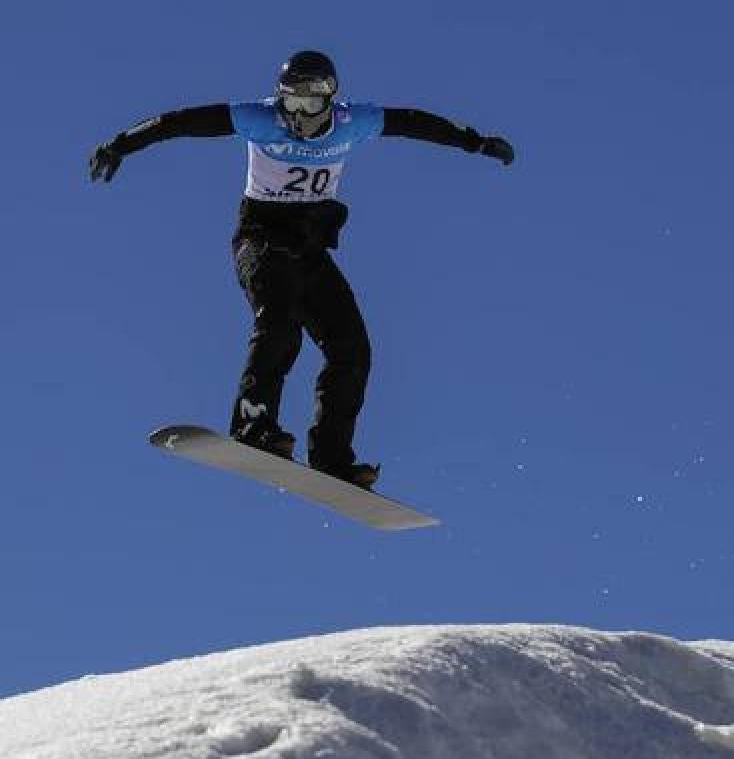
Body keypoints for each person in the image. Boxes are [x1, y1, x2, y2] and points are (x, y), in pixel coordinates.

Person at [90, 51, 513, 488]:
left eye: (310, 105)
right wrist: (120, 144)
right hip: (260, 239)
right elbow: (180, 122)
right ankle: (253, 422)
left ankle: (331, 455)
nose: (298, 115)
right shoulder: (258, 119)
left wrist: (475, 141)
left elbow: (415, 123)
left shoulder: (354, 123)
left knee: (351, 348)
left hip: (309, 249)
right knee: (279, 320)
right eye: (289, 103)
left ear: (330, 101)